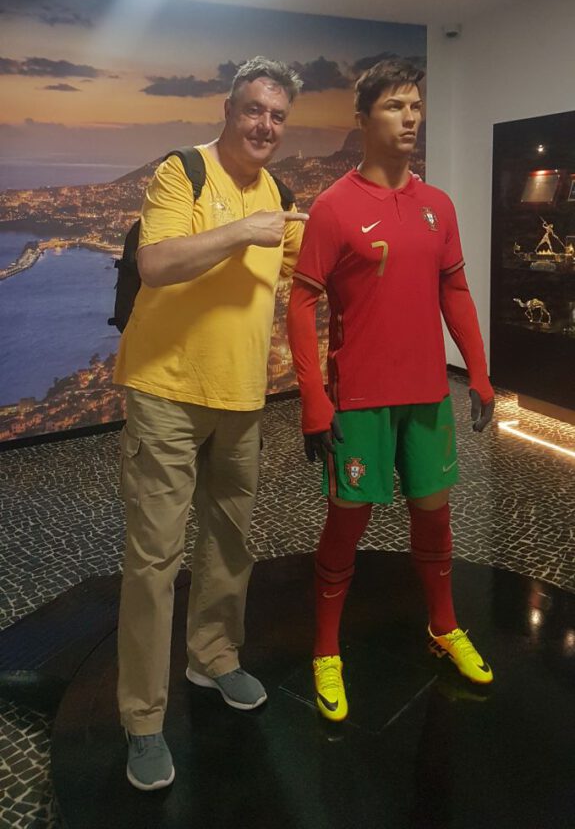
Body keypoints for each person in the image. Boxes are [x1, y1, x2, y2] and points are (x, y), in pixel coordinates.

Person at [114, 57, 307, 788]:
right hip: (166, 393)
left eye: (278, 116)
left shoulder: (279, 195)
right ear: (228, 110)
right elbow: (157, 263)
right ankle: (142, 719)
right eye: (254, 109)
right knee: (154, 561)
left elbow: (309, 269)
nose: (265, 125)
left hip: (243, 399)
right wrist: (242, 231)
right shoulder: (184, 173)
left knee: (230, 543)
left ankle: (213, 657)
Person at [286, 59, 495, 722]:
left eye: (415, 106)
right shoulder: (333, 207)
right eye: (394, 106)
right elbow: (300, 305)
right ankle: (326, 649)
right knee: (348, 521)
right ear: (363, 119)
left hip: (426, 394)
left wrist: (479, 371)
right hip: (359, 400)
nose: (409, 118)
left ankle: (443, 626)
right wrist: (313, 397)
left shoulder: (438, 206)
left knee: (434, 514)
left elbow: (454, 290)